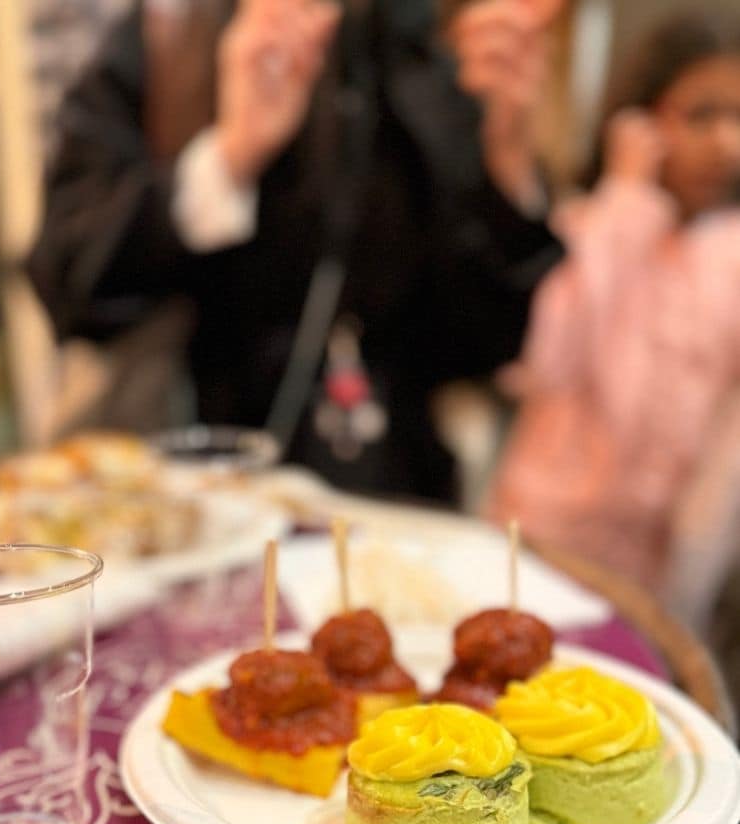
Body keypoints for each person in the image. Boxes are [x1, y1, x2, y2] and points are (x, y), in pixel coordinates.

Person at [29, 0, 563, 502]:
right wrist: (230, 158)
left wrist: (507, 164)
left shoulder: (427, 50)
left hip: (395, 499)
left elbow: (486, 343)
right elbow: (66, 277)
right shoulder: (174, 33)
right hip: (199, 495)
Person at [487, 11, 740, 621]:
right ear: (642, 118)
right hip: (542, 546)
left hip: (659, 569)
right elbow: (537, 363)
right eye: (700, 114)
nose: (727, 143)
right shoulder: (590, 224)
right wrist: (626, 199)